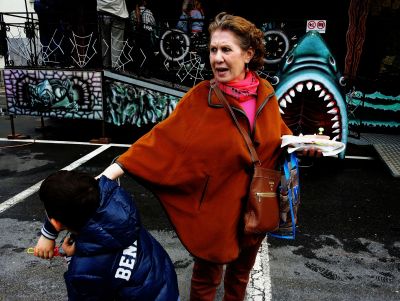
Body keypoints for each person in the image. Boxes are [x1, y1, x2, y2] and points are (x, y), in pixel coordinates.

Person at [35, 12, 320, 300]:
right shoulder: (200, 98)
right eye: (213, 50)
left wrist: (303, 143)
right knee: (207, 277)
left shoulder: (267, 94)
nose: (217, 58)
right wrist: (111, 174)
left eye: (226, 49)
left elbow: (277, 136)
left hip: (258, 205)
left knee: (241, 274)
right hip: (217, 210)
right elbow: (160, 140)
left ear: (248, 54)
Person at [34, 170, 180, 301]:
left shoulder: (83, 271)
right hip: (166, 285)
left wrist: (72, 258)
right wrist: (48, 235)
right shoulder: (119, 208)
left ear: (57, 223)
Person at [97, 0, 129, 68]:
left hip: (102, 10)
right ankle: (115, 66)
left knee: (104, 39)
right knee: (117, 40)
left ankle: (105, 64)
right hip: (118, 12)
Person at [130, 0, 157, 77]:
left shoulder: (133, 12)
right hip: (145, 35)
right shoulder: (148, 12)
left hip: (136, 35)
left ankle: (138, 70)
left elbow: (131, 24)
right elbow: (153, 23)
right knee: (147, 53)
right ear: (145, 2)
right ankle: (146, 71)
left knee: (138, 53)